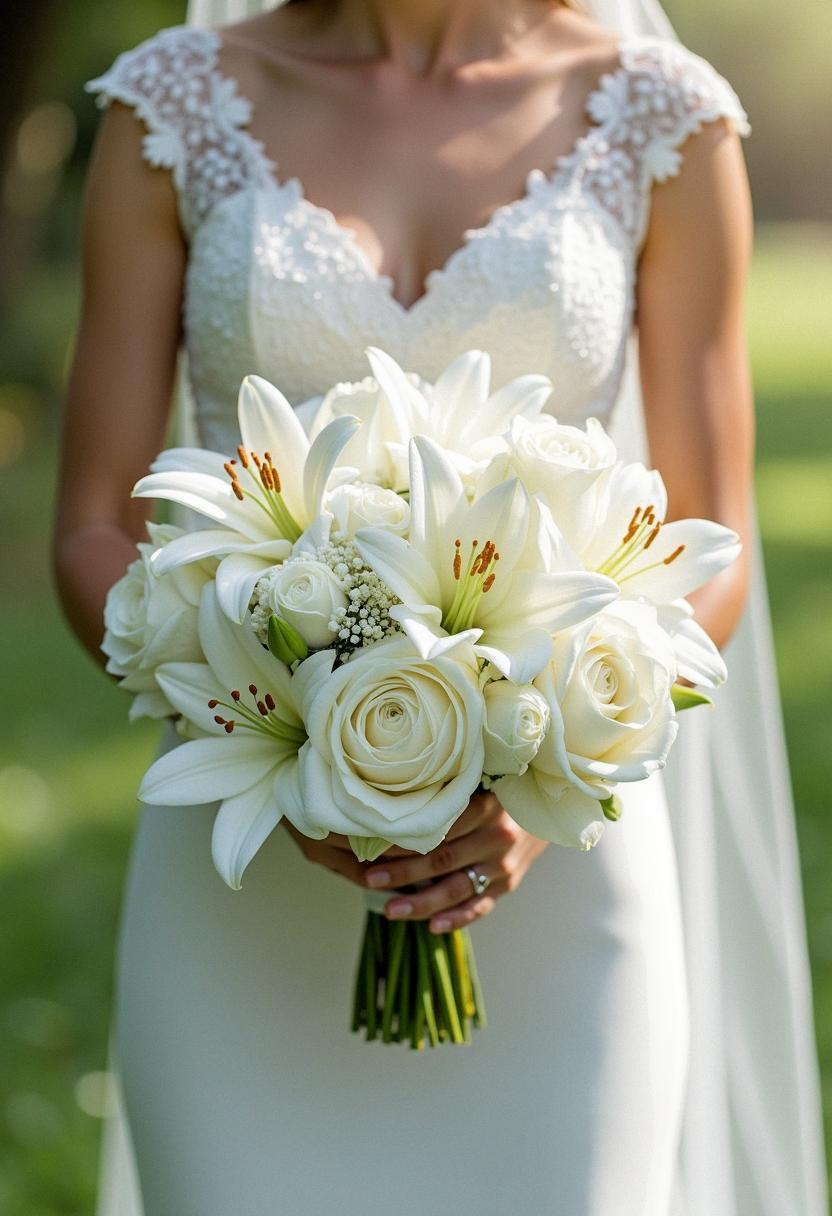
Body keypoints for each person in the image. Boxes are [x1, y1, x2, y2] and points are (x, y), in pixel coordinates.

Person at [53, 0, 828, 1212]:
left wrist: (535, 763)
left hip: (561, 857)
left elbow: (704, 539)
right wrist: (276, 730)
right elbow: (94, 523)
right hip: (246, 837)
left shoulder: (664, 118)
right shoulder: (173, 108)